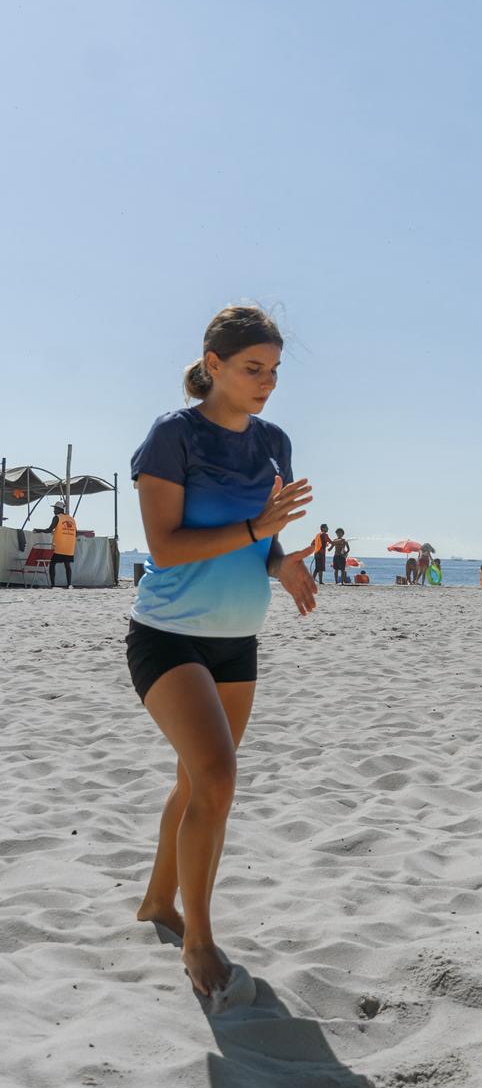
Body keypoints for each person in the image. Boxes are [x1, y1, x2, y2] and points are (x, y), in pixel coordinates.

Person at [126, 304, 316, 1002]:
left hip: (238, 642)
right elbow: (167, 548)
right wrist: (256, 528)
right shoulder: (172, 437)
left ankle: (155, 903)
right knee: (218, 777)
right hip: (167, 636)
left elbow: (259, 544)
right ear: (214, 367)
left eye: (272, 370)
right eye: (251, 368)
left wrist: (283, 560)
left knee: (196, 783)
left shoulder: (274, 442)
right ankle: (199, 940)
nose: (265, 382)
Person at [34, 501, 77, 588]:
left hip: (58, 546)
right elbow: (75, 532)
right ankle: (69, 584)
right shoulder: (72, 519)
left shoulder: (57, 517)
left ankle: (53, 585)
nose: (53, 511)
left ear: (59, 509)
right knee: (67, 565)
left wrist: (37, 530)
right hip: (69, 547)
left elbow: (49, 530)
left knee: (52, 564)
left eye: (55, 509)